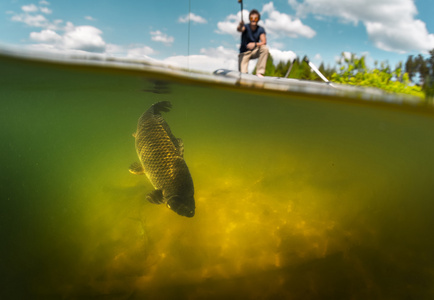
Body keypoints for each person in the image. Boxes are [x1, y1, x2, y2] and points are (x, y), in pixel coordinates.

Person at [237, 9, 269, 77]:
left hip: (254, 51)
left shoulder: (260, 29)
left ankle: (259, 72)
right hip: (244, 53)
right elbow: (240, 29)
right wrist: (240, 25)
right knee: (243, 75)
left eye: (256, 18)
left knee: (264, 49)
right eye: (251, 18)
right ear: (249, 19)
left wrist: (254, 44)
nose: (253, 20)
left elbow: (264, 42)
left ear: (258, 19)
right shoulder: (245, 26)